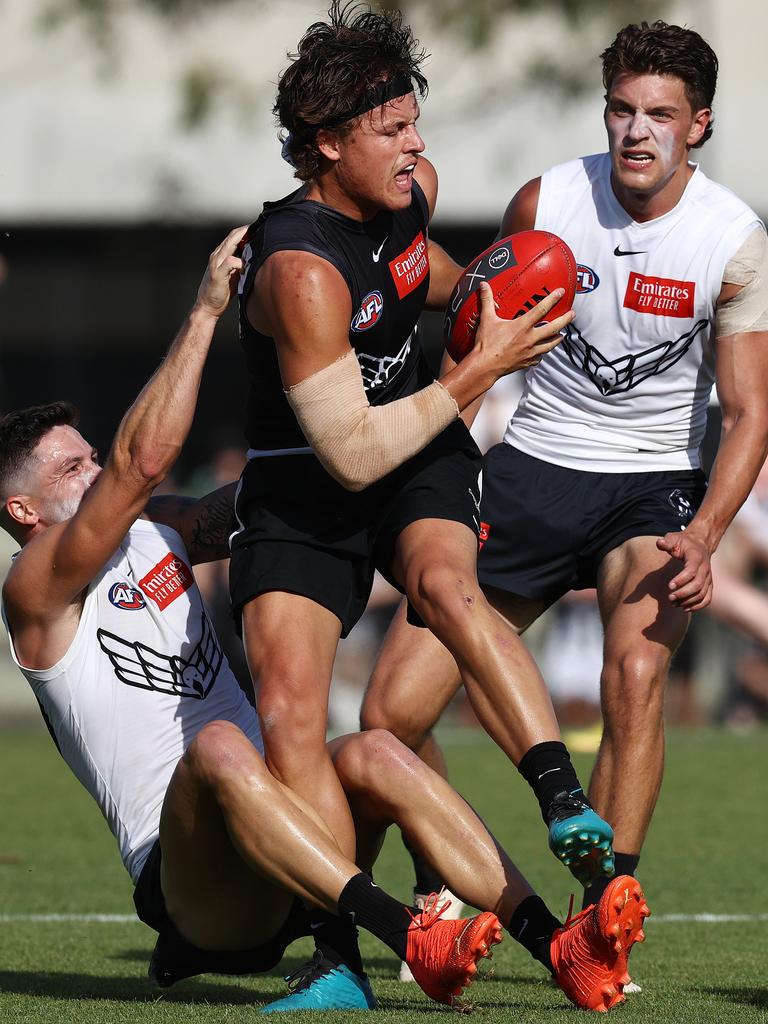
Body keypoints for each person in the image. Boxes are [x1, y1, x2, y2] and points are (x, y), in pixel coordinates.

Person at [0, 249, 650, 1015]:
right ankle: (409, 933)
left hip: (289, 839)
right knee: (218, 746)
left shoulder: (159, 531)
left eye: (92, 457)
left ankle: (560, 947)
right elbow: (142, 464)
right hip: (199, 892)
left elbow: (314, 478)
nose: (98, 471)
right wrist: (209, 312)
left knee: (378, 748)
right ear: (23, 513)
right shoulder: (35, 591)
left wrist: (456, 372)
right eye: (75, 470)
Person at [232, 9, 613, 998]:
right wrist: (486, 366)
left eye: (416, 120)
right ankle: (338, 954)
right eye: (392, 128)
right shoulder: (299, 271)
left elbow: (423, 277)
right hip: (312, 478)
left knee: (448, 584)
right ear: (326, 142)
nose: (417, 145)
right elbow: (350, 454)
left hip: (420, 447)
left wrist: (492, 295)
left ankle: (565, 802)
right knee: (289, 714)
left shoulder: (412, 195)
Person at [361, 16, 768, 942]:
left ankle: (599, 922)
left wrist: (704, 534)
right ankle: (451, 873)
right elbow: (478, 344)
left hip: (652, 481)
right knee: (391, 711)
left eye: (660, 114)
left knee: (634, 672)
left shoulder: (736, 241)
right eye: (621, 108)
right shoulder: (546, 201)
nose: (636, 130)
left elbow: (748, 413)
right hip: (530, 467)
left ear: (697, 124)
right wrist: (429, 476)